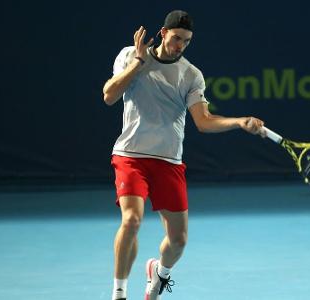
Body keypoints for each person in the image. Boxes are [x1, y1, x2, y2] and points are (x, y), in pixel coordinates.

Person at [102, 10, 264, 300]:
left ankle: (159, 274)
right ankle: (119, 293)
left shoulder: (191, 75)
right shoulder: (130, 55)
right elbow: (109, 95)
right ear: (163, 33)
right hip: (130, 155)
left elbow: (204, 121)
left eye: (186, 41)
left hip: (168, 161)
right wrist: (138, 64)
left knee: (178, 241)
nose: (180, 45)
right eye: (176, 38)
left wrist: (239, 122)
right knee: (132, 221)